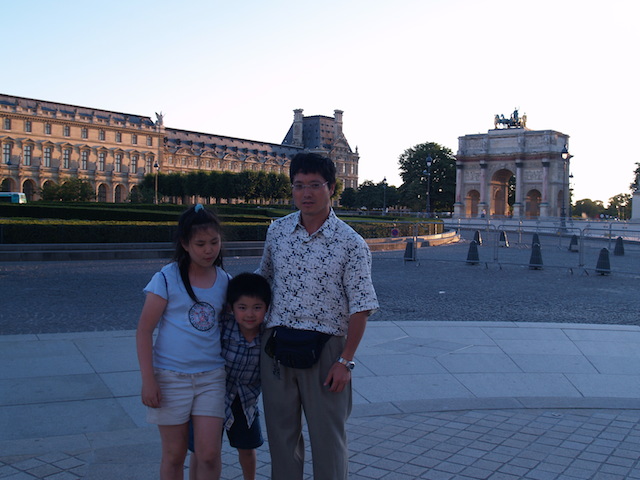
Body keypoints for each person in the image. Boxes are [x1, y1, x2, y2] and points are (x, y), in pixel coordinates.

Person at [258, 152, 379, 480]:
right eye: (298, 185)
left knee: (328, 441)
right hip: (277, 346)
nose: (306, 193)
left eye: (314, 185)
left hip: (326, 351)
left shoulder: (351, 243)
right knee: (281, 440)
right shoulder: (277, 232)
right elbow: (264, 280)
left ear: (332, 188)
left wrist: (345, 361)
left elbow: (361, 306)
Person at [136, 204, 228, 480]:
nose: (209, 250)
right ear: (185, 244)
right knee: (174, 455)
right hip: (170, 378)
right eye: (200, 244)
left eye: (214, 242)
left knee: (209, 454)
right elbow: (144, 330)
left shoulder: (225, 280)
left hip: (212, 378)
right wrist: (148, 380)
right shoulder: (167, 278)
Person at [188, 272, 271, 480]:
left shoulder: (268, 334)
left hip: (246, 403)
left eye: (257, 307)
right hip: (214, 398)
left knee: (247, 448)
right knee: (202, 450)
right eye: (242, 307)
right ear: (231, 308)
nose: (249, 314)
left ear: (267, 308)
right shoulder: (224, 325)